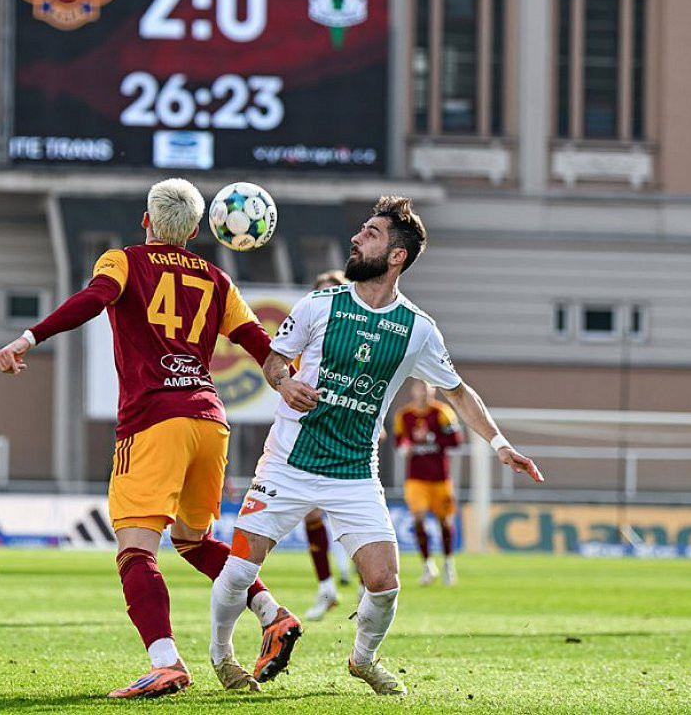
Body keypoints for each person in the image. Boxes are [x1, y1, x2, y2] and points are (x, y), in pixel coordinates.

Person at [208, 196, 544, 695]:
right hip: (287, 463)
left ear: (396, 257)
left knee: (385, 584)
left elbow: (457, 392)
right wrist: (282, 383)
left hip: (354, 473)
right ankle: (221, 656)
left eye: (371, 233)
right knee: (238, 570)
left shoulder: (417, 329)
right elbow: (275, 360)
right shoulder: (318, 305)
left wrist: (498, 443)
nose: (357, 238)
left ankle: (363, 659)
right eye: (361, 230)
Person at [0, 178, 296, 698]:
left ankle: (166, 661)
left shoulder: (124, 260)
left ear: (146, 220)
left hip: (154, 421)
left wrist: (28, 336)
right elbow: (261, 346)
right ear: (197, 230)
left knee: (136, 549)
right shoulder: (219, 279)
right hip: (209, 420)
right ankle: (273, 612)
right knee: (193, 542)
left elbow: (95, 298)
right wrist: (292, 384)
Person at [300, 268, 356, 621]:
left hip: (350, 441)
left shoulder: (357, 338)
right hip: (311, 436)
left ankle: (366, 588)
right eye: (318, 292)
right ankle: (327, 588)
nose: (324, 298)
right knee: (310, 515)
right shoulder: (304, 342)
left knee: (352, 521)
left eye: (331, 291)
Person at [393, 379, 464, 586]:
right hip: (416, 479)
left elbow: (455, 441)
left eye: (426, 388)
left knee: (445, 521)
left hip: (440, 478)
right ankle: (427, 565)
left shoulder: (442, 412)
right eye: (419, 388)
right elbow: (400, 440)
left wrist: (430, 438)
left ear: (433, 391)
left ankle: (449, 564)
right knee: (418, 519)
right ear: (414, 391)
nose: (422, 392)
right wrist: (405, 446)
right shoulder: (404, 415)